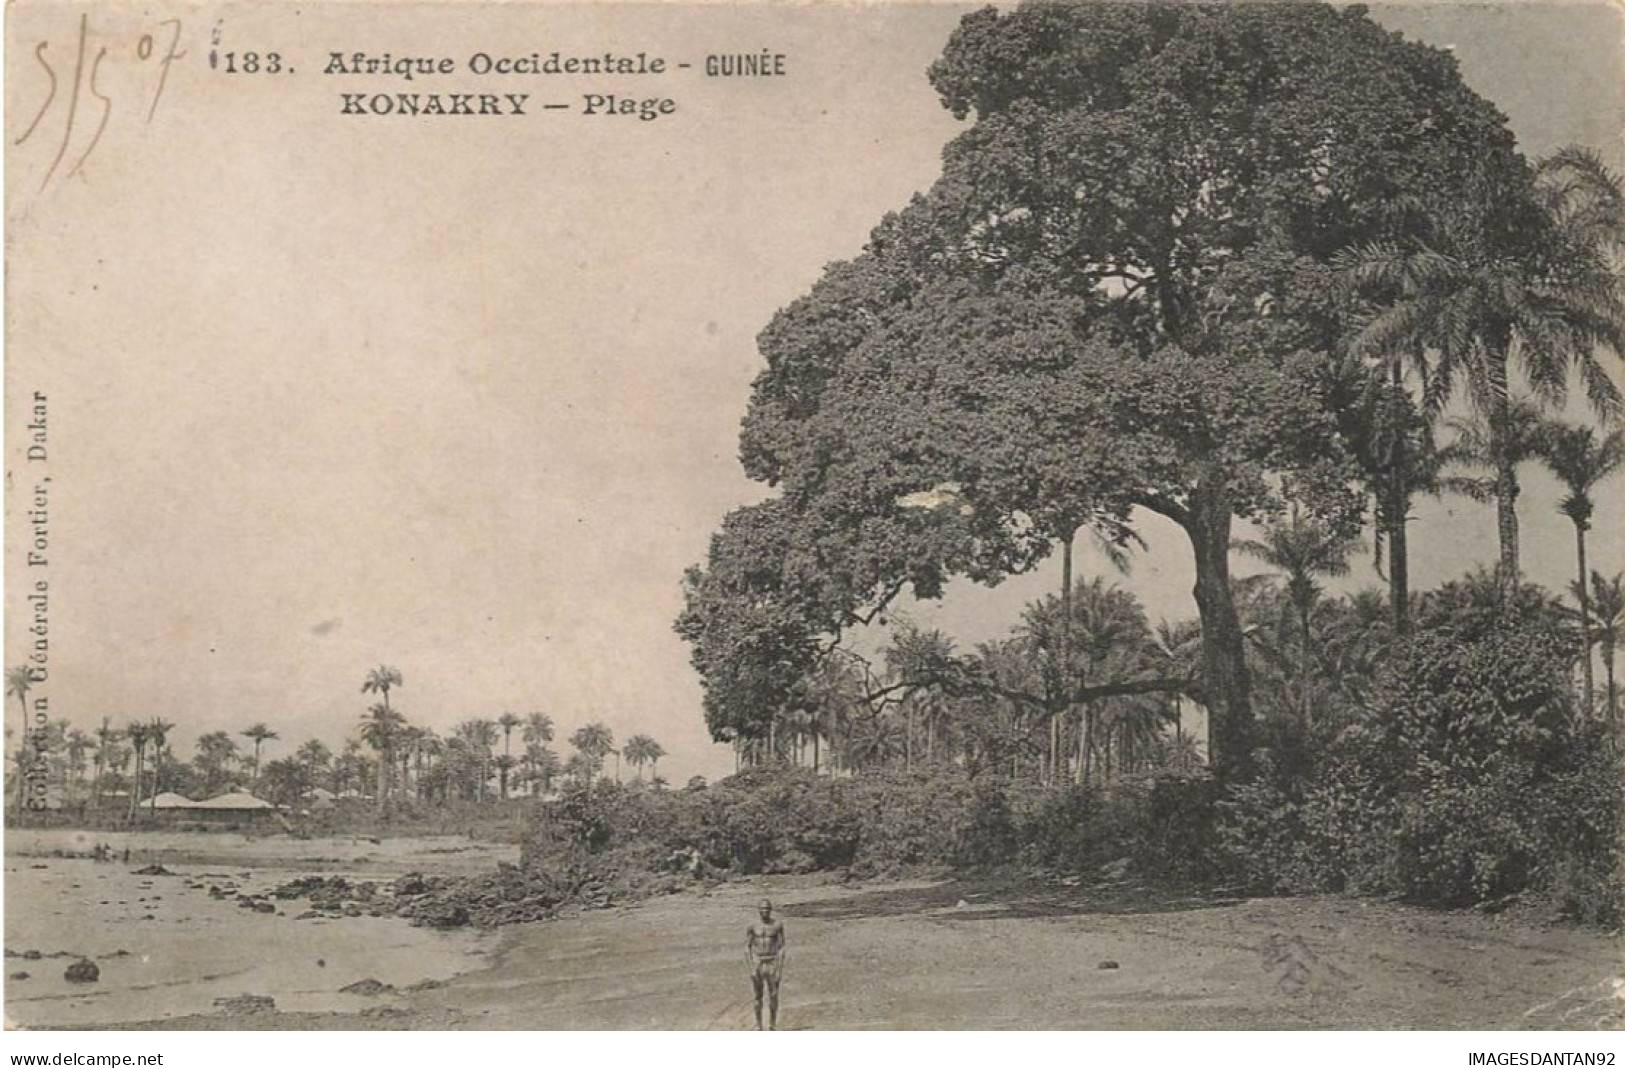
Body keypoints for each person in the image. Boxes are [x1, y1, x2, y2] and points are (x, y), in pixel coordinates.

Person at [746, 898, 786, 1030]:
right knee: (758, 995)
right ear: (758, 910)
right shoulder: (753, 926)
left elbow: (781, 947)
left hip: (772, 961)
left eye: (767, 909)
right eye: (762, 909)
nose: (765, 911)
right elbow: (747, 947)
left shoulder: (777, 925)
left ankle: (772, 1024)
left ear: (771, 910)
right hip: (758, 962)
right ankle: (759, 1025)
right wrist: (751, 967)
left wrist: (779, 969)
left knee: (773, 995)